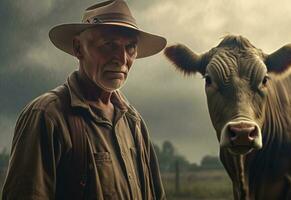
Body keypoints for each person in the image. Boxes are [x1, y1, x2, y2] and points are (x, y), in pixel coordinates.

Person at [1, 0, 167, 199]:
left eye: (130, 47)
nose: (122, 59)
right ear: (78, 48)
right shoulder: (47, 116)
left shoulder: (133, 122)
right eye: (109, 45)